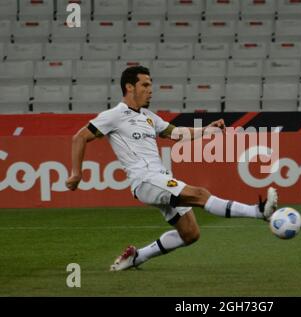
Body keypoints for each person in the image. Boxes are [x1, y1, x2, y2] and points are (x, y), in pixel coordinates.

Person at [65, 66, 278, 271]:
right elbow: (80, 137)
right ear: (129, 87)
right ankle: (259, 212)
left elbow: (175, 133)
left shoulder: (149, 117)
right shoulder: (114, 115)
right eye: (145, 85)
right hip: (145, 180)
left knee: (190, 234)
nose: (150, 90)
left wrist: (206, 129)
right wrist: (76, 173)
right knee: (200, 194)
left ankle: (136, 257)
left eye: (150, 85)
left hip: (160, 179)